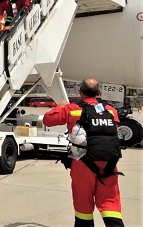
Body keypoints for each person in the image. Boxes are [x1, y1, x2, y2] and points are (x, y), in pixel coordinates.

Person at [43, 78, 124, 227]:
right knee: (110, 205)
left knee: (83, 207)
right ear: (99, 92)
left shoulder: (72, 109)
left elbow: (47, 120)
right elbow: (115, 129)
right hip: (109, 163)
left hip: (83, 163)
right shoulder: (110, 110)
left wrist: (61, 107)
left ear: (80, 91)